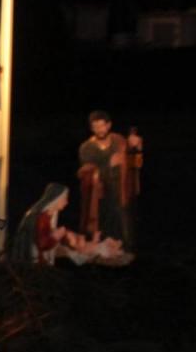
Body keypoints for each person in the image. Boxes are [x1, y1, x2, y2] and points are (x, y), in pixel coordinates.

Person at [11, 183, 132, 267]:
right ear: (56, 199)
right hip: (35, 259)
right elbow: (42, 243)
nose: (66, 202)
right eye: (64, 199)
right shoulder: (41, 217)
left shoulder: (47, 216)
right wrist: (57, 236)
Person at [77, 110, 139, 251]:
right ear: (92, 128)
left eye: (102, 125)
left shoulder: (119, 141)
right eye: (96, 126)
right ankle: (103, 251)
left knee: (123, 219)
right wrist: (109, 164)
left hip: (121, 189)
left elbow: (134, 163)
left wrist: (134, 147)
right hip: (100, 193)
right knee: (102, 223)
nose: (100, 130)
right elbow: (88, 172)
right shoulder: (86, 148)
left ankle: (127, 248)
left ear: (109, 125)